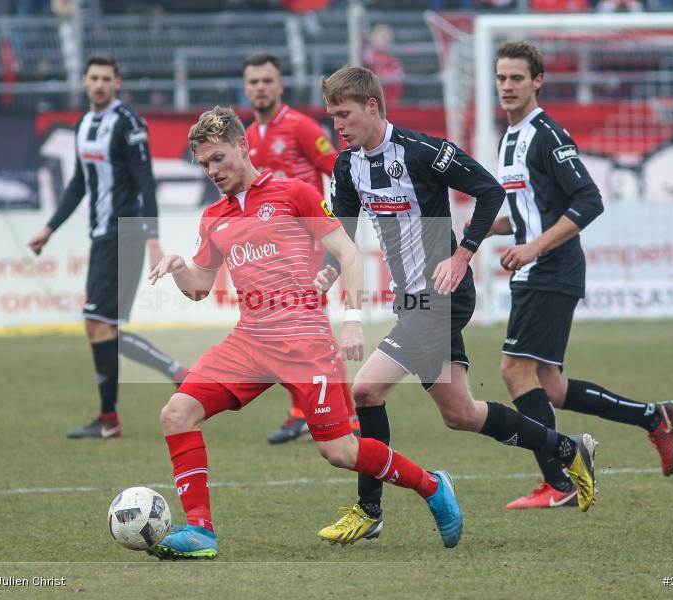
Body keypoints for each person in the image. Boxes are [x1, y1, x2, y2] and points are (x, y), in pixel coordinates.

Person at [145, 106, 463, 560]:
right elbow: (198, 288)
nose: (212, 171)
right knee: (176, 414)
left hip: (305, 342)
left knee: (340, 451)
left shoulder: (294, 194)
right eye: (203, 164)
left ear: (242, 146)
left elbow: (349, 255)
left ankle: (432, 486)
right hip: (250, 340)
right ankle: (201, 531)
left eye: (218, 158)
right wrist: (180, 266)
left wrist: (352, 321)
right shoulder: (214, 216)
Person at [314, 66, 599, 545]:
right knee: (461, 414)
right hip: (413, 301)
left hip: (444, 295)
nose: (338, 126)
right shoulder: (348, 165)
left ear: (372, 107)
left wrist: (464, 253)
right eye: (332, 117)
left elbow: (489, 189)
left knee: (365, 390)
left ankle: (369, 510)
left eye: (344, 115)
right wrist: (326, 270)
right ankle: (567, 448)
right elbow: (340, 230)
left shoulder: (423, 151)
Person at [489, 41, 673, 509]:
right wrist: (473, 234)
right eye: (501, 78)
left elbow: (588, 200)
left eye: (517, 78)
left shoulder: (547, 134)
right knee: (550, 386)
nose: (508, 86)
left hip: (550, 268)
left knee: (514, 371)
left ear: (538, 81)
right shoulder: (509, 137)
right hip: (536, 269)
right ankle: (653, 416)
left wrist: (533, 247)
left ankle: (560, 482)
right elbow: (527, 213)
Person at [28, 54, 187, 439]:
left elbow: (145, 182)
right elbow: (80, 184)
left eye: (106, 78)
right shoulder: (84, 124)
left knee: (100, 326)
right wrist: (50, 228)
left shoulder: (128, 123)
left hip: (126, 233)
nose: (99, 84)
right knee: (99, 327)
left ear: (117, 83)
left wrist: (152, 238)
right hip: (101, 235)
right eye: (93, 78)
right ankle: (118, 412)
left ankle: (159, 384)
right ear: (84, 81)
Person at [241, 51, 359, 444]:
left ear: (280, 85)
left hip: (306, 243)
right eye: (253, 82)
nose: (260, 88)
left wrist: (334, 225)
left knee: (309, 330)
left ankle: (347, 417)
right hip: (270, 253)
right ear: (247, 87)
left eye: (266, 80)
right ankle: (303, 411)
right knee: (287, 332)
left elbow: (340, 170)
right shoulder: (248, 136)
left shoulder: (301, 127)